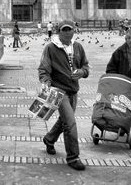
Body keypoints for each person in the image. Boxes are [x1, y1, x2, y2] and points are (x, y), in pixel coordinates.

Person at [38, 20, 90, 171]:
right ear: (59, 32)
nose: (67, 32)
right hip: (58, 90)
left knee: (64, 120)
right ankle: (73, 157)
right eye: (64, 30)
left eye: (70, 29)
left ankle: (49, 139)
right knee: (71, 123)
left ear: (74, 31)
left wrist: (82, 72)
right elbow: (43, 68)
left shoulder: (78, 46)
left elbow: (85, 66)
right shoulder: (51, 48)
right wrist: (46, 82)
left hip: (74, 89)